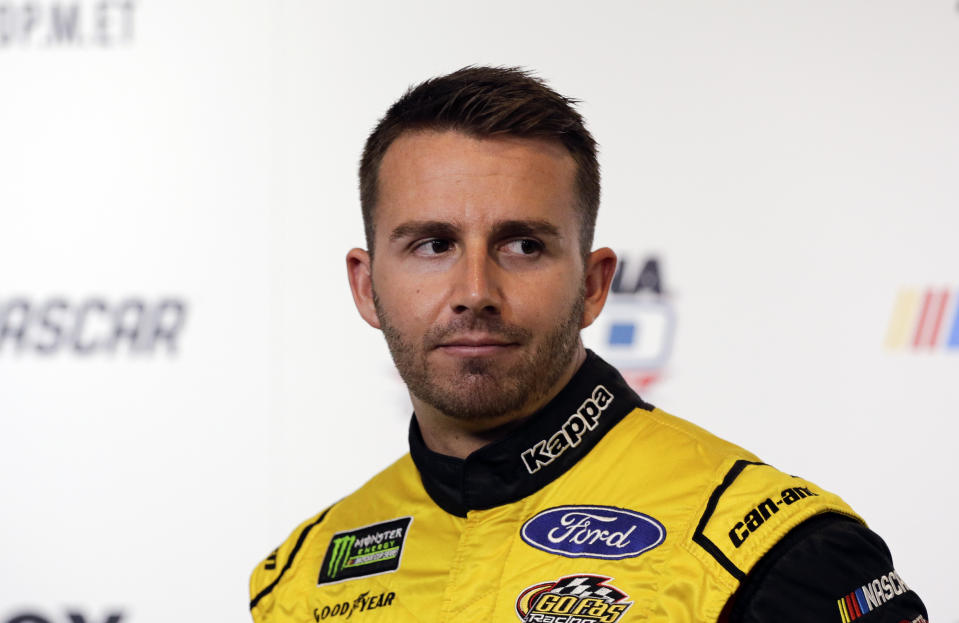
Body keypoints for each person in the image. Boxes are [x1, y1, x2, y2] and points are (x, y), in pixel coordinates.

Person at [249, 66, 927, 623]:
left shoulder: (770, 553)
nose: (475, 288)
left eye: (523, 245)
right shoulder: (303, 580)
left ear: (594, 284)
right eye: (433, 245)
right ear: (367, 287)